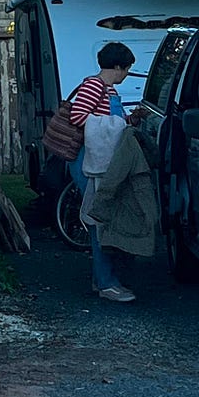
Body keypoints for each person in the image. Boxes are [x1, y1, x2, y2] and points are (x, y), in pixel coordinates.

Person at [67, 40, 137, 303]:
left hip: (98, 160)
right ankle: (107, 283)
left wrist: (131, 120)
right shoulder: (94, 86)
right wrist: (117, 124)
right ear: (117, 66)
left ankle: (103, 278)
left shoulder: (108, 90)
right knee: (100, 221)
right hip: (89, 161)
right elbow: (78, 116)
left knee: (103, 220)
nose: (127, 74)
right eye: (126, 69)